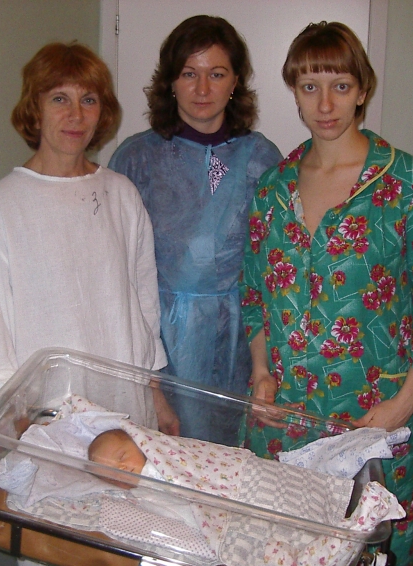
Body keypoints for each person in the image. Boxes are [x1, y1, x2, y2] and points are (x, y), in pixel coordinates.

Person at [239, 22, 413, 566]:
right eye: (309, 87)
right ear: (294, 91)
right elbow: (255, 296)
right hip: (285, 418)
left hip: (372, 417)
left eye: (340, 86)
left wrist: (404, 404)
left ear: (363, 89)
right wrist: (260, 372)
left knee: (368, 562)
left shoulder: (410, 185)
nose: (325, 105)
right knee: (278, 555)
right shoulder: (272, 190)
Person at [0, 41, 178, 566]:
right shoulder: (1, 209)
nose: (75, 114)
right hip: (49, 428)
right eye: (59, 98)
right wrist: (17, 426)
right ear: (33, 108)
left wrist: (156, 396)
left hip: (124, 415)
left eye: (89, 99)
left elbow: (143, 304)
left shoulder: (120, 194)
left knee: (127, 557)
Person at [109, 15, 282, 446]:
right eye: (189, 74)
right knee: (166, 458)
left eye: (216, 74)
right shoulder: (135, 160)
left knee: (231, 460)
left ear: (235, 81)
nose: (203, 89)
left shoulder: (263, 159)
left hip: (243, 341)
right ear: (170, 81)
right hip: (163, 345)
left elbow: (275, 267)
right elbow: (118, 274)